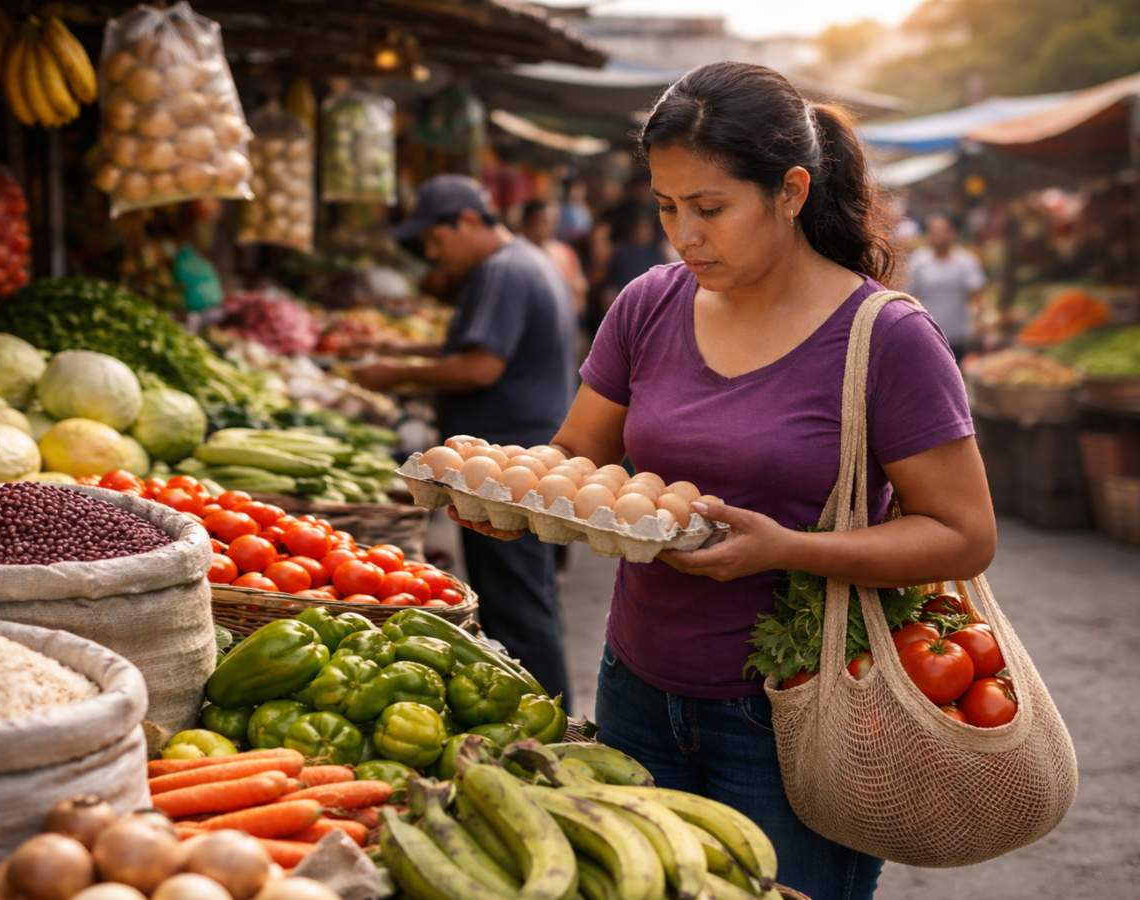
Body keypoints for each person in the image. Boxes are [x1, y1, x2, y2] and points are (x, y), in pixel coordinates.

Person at [467, 63, 996, 899]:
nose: (685, 235)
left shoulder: (884, 338)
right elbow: (578, 451)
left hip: (801, 712)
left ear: (790, 191)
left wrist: (784, 548)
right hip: (637, 686)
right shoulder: (648, 305)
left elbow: (965, 534)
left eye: (710, 208)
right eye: (667, 207)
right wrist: (516, 498)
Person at [349, 174, 576, 703]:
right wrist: (404, 353)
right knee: (521, 596)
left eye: (436, 240)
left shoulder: (503, 272)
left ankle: (550, 718)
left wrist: (395, 374)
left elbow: (480, 368)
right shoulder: (518, 263)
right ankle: (542, 710)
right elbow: (473, 349)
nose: (433, 255)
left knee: (517, 604)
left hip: (505, 469)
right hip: (509, 461)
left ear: (469, 220)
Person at [907, 212, 987, 359]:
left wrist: (978, 328)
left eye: (941, 231)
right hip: (927, 333)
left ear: (952, 233)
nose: (937, 236)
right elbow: (909, 296)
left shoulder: (966, 261)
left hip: (957, 335)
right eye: (933, 231)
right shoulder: (919, 261)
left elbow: (977, 298)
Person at [520, 199, 588, 323]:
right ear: (526, 223)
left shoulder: (564, 253)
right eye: (543, 222)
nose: (549, 228)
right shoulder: (514, 257)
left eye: (553, 222)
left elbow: (579, 291)